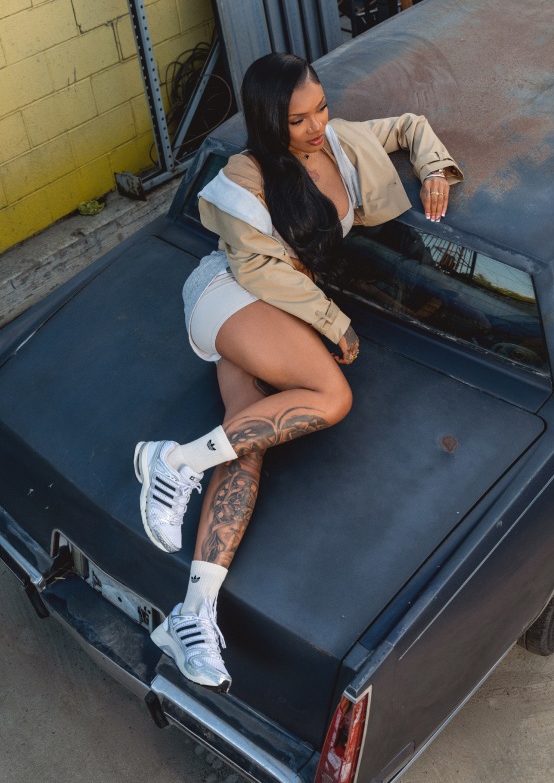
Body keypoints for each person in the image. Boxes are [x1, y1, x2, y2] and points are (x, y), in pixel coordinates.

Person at [134, 52, 463, 692]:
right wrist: (334, 322)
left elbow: (409, 127)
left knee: (249, 437)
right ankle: (173, 465)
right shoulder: (246, 173)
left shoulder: (339, 146)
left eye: (321, 109)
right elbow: (260, 271)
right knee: (330, 395)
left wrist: (434, 171)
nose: (317, 126)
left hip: (271, 317)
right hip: (230, 297)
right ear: (267, 119)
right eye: (298, 119)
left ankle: (193, 613)